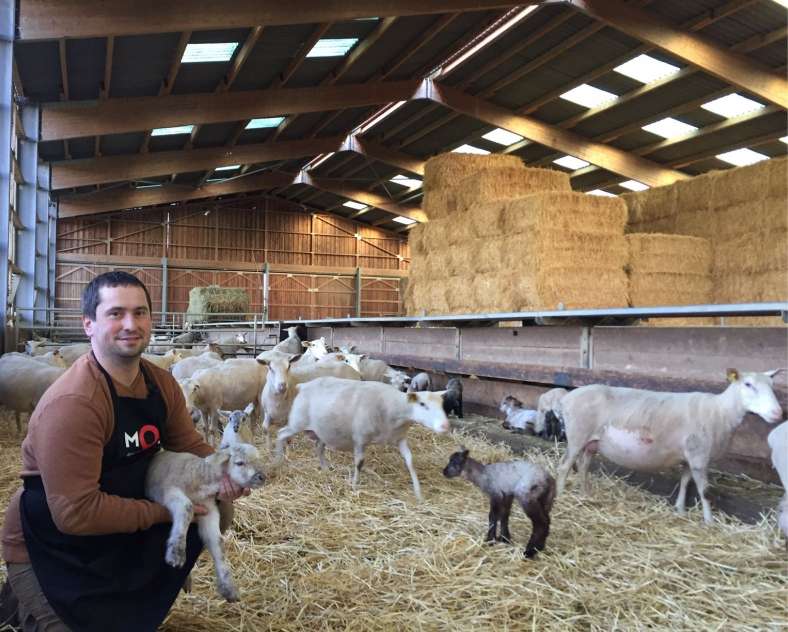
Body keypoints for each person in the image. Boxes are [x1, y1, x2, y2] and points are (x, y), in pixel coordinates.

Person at [0, 271, 247, 632]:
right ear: (89, 324)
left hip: (117, 526)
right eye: (116, 313)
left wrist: (224, 472)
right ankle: (23, 602)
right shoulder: (75, 403)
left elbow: (189, 445)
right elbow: (76, 514)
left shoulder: (160, 384)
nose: (131, 324)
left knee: (217, 508)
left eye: (140, 312)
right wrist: (169, 510)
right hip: (52, 545)